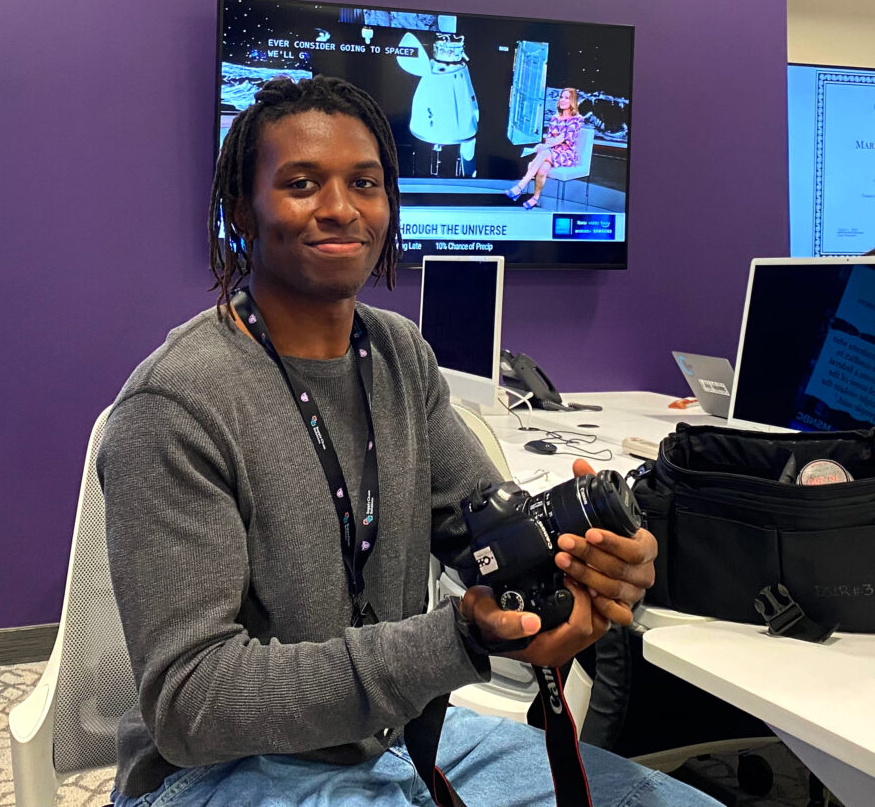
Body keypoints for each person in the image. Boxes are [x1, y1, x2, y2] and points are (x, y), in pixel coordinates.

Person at [98, 75, 717, 807]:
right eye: (301, 184)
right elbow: (190, 704)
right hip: (224, 771)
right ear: (243, 210)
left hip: (393, 736)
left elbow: (485, 526)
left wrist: (592, 560)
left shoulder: (396, 355)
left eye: (363, 183)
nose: (339, 208)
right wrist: (454, 640)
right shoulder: (176, 403)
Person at [505, 87, 584, 210]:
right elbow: (549, 139)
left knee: (544, 152)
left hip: (567, 154)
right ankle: (535, 198)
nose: (563, 100)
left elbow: (562, 139)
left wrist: (545, 146)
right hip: (552, 152)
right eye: (562, 97)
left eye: (567, 98)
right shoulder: (554, 118)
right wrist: (547, 145)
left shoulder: (577, 119)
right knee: (542, 169)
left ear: (572, 101)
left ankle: (520, 186)